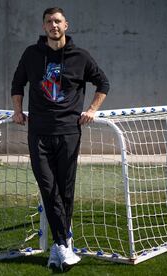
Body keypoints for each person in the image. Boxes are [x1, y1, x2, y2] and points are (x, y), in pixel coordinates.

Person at [11, 7, 109, 271]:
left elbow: (103, 83)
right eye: (48, 22)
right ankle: (64, 245)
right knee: (47, 187)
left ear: (66, 25)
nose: (53, 25)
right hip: (39, 132)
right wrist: (18, 110)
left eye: (57, 21)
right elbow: (17, 83)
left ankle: (59, 250)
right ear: (44, 27)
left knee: (65, 190)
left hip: (68, 132)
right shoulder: (32, 55)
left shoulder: (80, 57)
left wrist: (91, 110)